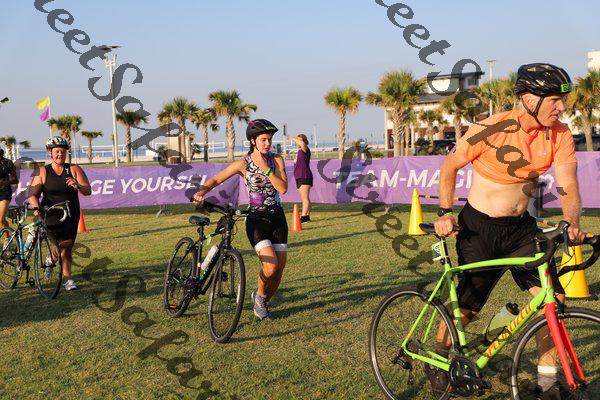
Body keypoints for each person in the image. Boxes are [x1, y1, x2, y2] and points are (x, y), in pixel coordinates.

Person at [433, 63, 585, 399]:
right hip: (479, 228)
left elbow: (568, 184)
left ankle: (547, 382)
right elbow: (450, 166)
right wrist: (445, 212)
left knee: (552, 301)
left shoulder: (559, 133)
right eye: (554, 100)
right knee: (468, 309)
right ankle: (440, 359)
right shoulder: (490, 128)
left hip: (521, 230)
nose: (561, 107)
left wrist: (572, 222)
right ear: (530, 100)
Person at [193, 119, 288, 321]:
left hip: (278, 218)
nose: (267, 144)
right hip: (257, 220)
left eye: (269, 140)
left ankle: (262, 300)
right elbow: (216, 179)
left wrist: (266, 168)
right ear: (253, 141)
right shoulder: (243, 164)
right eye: (263, 140)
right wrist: (201, 192)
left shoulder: (277, 160)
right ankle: (260, 297)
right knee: (270, 267)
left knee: (279, 270)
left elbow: (283, 188)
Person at [29, 137, 92, 291]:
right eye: (57, 151)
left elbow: (88, 191)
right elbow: (33, 195)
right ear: (50, 153)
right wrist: (37, 209)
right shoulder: (43, 171)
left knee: (67, 246)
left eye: (63, 151)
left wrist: (78, 185)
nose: (60, 154)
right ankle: (68, 279)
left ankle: (50, 260)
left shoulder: (74, 169)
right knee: (64, 244)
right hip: (50, 214)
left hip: (71, 214)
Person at [291, 134, 313, 222]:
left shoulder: (305, 149)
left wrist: (293, 139)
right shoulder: (300, 151)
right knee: (305, 198)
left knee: (305, 198)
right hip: (299, 177)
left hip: (305, 176)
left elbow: (302, 144)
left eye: (299, 140)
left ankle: (304, 217)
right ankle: (307, 216)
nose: (297, 142)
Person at [0, 148, 18, 230]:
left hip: (4, 193)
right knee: (2, 220)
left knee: (0, 220)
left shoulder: (8, 163)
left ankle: (8, 236)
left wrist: (4, 183)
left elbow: (15, 180)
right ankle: (8, 234)